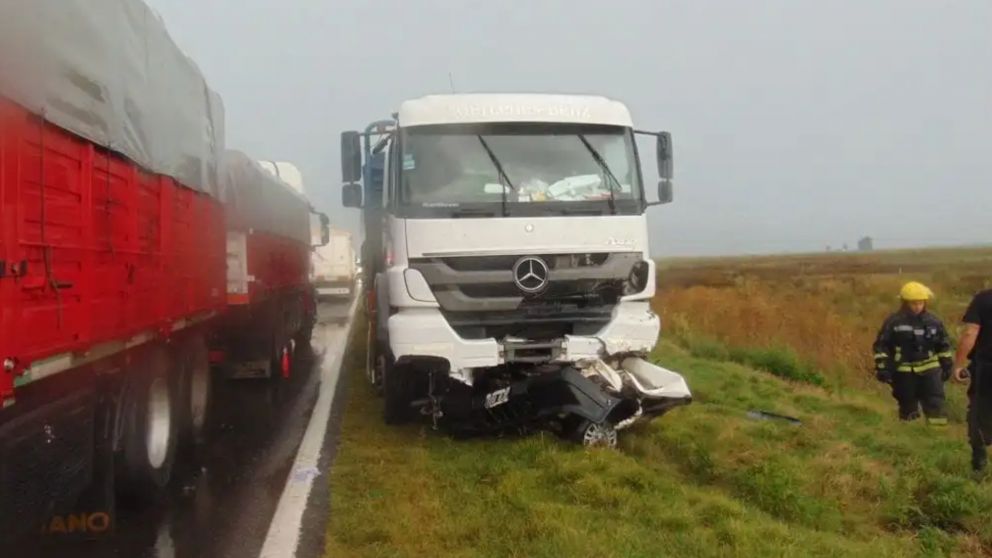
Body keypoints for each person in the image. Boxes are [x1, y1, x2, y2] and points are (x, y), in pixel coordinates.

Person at [873, 282, 953, 425]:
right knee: (907, 406)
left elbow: (943, 345)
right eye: (913, 303)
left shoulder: (934, 321)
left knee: (936, 404)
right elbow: (882, 346)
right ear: (905, 303)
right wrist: (882, 368)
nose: (917, 306)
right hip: (904, 372)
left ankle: (938, 439)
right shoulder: (893, 322)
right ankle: (911, 440)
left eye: (920, 303)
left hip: (931, 371)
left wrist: (947, 365)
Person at [952, 289, 992, 473]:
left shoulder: (983, 299)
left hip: (987, 368)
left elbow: (970, 333)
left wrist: (959, 365)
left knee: (978, 412)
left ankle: (979, 461)